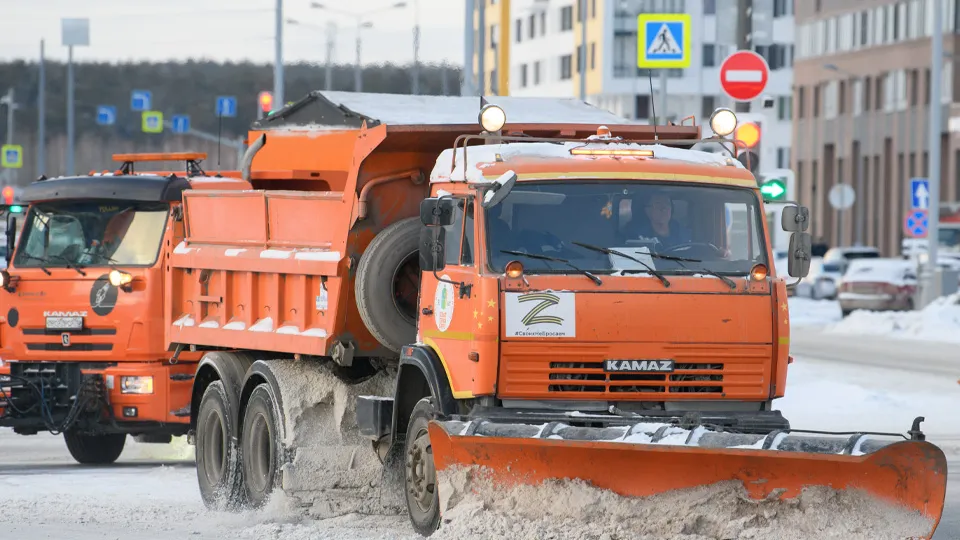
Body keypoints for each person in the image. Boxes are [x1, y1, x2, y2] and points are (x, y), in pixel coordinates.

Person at [625, 190, 691, 249]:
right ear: (647, 210)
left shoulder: (684, 234)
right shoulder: (636, 237)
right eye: (658, 204)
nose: (664, 208)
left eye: (667, 204)